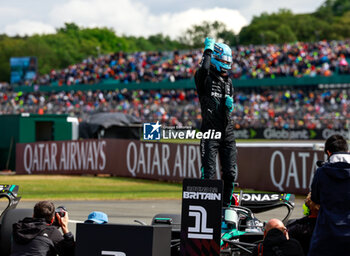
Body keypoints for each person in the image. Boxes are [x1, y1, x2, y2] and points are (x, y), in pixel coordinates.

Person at [195, 37, 237, 208]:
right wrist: (208, 50)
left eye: (228, 61)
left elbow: (226, 110)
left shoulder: (229, 82)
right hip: (210, 132)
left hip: (227, 131)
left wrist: (229, 108)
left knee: (230, 173)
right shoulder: (203, 78)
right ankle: (208, 208)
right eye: (223, 60)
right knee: (209, 175)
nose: (226, 65)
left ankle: (226, 207)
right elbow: (204, 68)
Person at [308, 134, 350, 256]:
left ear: (328, 152)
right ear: (347, 150)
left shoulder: (321, 172)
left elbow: (315, 199)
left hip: (327, 235)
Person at [11, 201, 75, 256]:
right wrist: (64, 227)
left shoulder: (18, 229)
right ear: (52, 219)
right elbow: (70, 253)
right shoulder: (52, 232)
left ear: (33, 215)